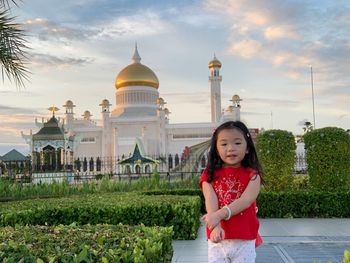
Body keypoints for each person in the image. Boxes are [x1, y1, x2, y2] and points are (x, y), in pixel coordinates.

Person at [199, 121, 264, 263]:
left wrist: (218, 215)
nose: (231, 148)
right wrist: (215, 226)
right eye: (224, 144)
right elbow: (210, 199)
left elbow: (246, 200)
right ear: (216, 149)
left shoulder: (253, 175)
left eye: (237, 143)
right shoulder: (209, 175)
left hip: (244, 239)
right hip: (218, 237)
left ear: (247, 148)